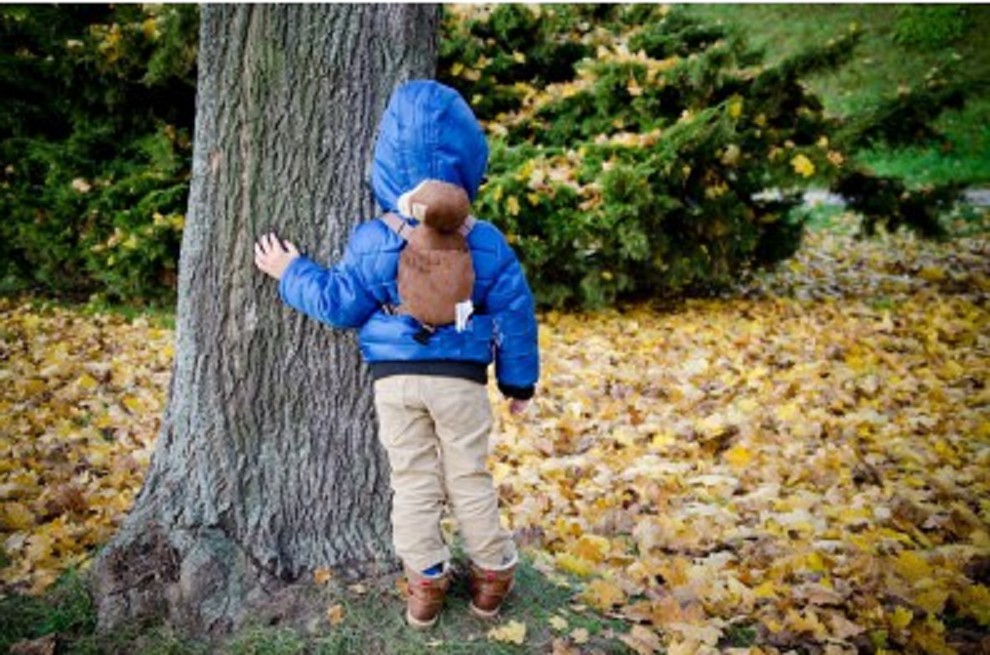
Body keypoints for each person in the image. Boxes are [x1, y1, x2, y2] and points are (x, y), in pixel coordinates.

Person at [253, 79, 539, 629]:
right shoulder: (487, 241)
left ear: (386, 159)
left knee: (411, 481)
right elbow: (515, 316)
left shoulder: (374, 237)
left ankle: (426, 586)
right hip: (461, 382)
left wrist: (291, 271)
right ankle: (492, 577)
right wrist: (518, 385)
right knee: (469, 478)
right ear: (470, 158)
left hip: (396, 382)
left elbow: (339, 304)